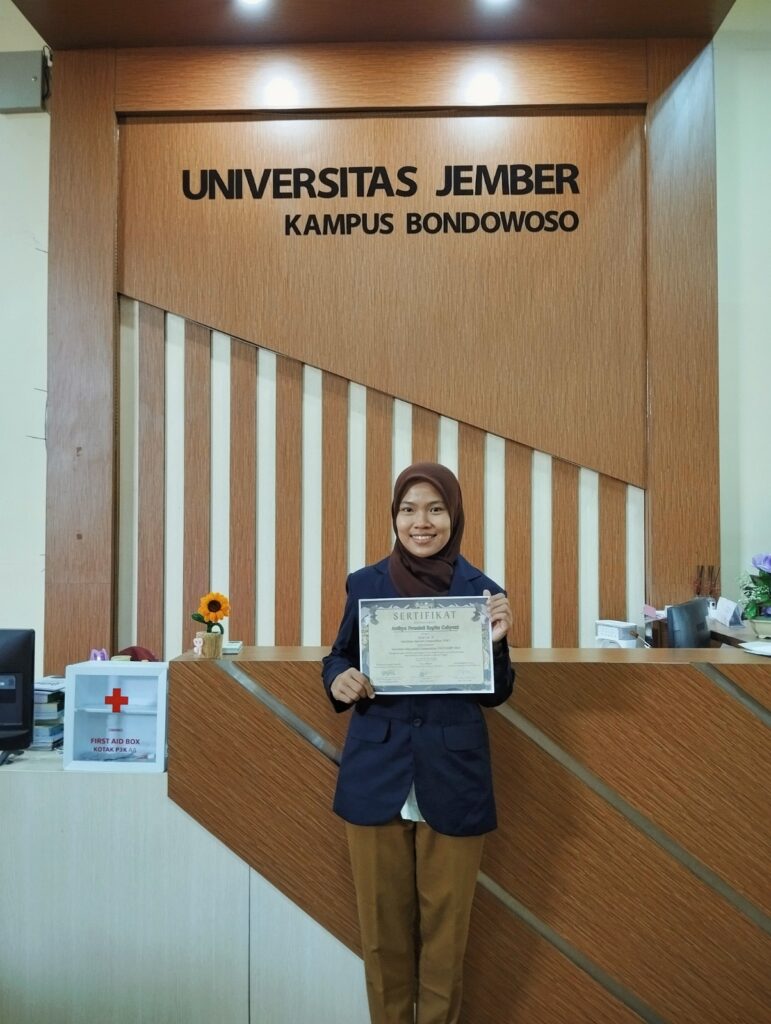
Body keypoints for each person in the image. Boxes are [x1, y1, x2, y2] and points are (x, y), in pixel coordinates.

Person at [322, 462, 514, 1024]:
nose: (420, 522)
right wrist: (338, 677)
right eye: (408, 509)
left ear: (454, 516)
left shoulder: (482, 592)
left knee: (445, 941)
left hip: (453, 778)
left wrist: (496, 644)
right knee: (381, 939)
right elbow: (339, 654)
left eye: (435, 509)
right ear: (394, 516)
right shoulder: (366, 583)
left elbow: (496, 694)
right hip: (376, 773)